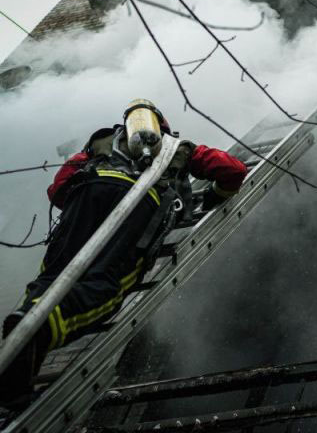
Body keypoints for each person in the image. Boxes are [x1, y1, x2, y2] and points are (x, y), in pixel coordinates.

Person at [0, 100, 247, 406]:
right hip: (137, 207)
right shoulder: (178, 149)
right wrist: (213, 196)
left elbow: (58, 188)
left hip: (85, 197)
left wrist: (87, 213)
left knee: (54, 276)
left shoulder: (98, 145)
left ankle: (25, 322)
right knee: (105, 285)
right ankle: (45, 327)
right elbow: (233, 170)